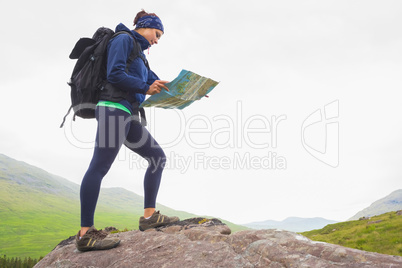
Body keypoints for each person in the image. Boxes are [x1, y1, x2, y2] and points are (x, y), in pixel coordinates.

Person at [75, 10, 179, 252]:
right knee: (99, 166)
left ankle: (149, 216)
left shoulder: (141, 57)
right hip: (113, 109)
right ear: (144, 26)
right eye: (157, 33)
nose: (157, 40)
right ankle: (85, 233)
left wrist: (190, 93)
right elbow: (114, 73)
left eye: (160, 37)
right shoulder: (123, 39)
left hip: (129, 114)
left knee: (157, 157)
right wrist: (145, 86)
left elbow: (159, 85)